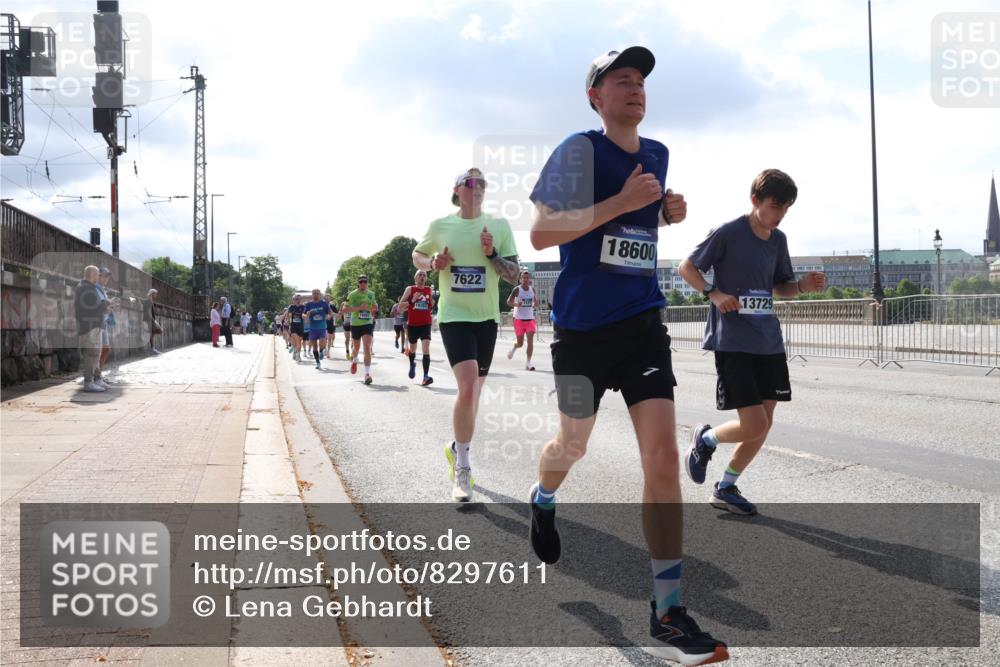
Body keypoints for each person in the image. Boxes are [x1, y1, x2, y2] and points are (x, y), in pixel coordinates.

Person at [526, 47, 728, 665]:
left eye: (641, 81)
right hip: (584, 331)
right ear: (596, 95)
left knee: (663, 458)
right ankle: (543, 497)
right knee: (573, 445)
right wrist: (618, 203)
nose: (635, 88)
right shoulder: (578, 150)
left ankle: (667, 612)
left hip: (642, 324)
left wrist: (668, 212)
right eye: (622, 80)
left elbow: (636, 236)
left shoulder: (657, 154)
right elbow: (540, 233)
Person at [678, 169, 824, 517]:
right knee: (754, 424)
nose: (780, 215)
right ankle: (706, 440)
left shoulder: (778, 240)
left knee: (764, 424)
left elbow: (781, 286)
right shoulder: (729, 232)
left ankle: (725, 488)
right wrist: (714, 293)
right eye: (775, 206)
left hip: (768, 341)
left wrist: (802, 286)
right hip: (733, 340)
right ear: (755, 200)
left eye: (786, 209)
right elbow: (687, 267)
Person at [412, 167, 520, 502]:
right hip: (454, 316)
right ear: (457, 189)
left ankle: (456, 445)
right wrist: (432, 264)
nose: (479, 188)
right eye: (472, 182)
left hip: (486, 318)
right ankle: (463, 468)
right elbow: (417, 253)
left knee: (473, 396)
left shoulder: (498, 226)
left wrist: (491, 255)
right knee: (469, 386)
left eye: (484, 183)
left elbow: (514, 275)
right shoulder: (441, 225)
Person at [74, 265, 111, 392]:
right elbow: (93, 307)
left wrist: (105, 307)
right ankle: (89, 382)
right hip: (90, 327)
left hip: (93, 326)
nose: (98, 276)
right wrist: (105, 303)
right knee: (91, 354)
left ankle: (97, 379)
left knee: (95, 354)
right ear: (92, 275)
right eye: (97, 274)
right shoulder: (86, 288)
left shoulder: (86, 287)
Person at [398, 269, 435, 386]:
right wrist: (412, 300)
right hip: (413, 325)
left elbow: (431, 305)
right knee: (412, 349)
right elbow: (400, 306)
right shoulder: (410, 289)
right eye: (420, 275)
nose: (422, 277)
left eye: (424, 275)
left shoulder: (429, 290)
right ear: (415, 278)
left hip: (426, 324)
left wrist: (432, 299)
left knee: (426, 348)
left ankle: (425, 376)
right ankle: (412, 364)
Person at [344, 276, 377, 385]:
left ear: (367, 283)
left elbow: (374, 305)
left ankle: (367, 374)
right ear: (358, 283)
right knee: (356, 348)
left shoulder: (371, 294)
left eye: (365, 282)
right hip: (356, 324)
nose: (363, 283)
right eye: (361, 282)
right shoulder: (352, 294)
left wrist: (374, 307)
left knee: (367, 347)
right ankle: (354, 360)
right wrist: (359, 308)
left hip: (367, 323)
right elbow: (345, 309)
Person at [506, 269, 540, 370]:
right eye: (523, 278)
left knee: (530, 341)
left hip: (530, 319)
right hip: (519, 319)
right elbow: (508, 302)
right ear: (520, 279)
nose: (525, 279)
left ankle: (528, 363)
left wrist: (536, 305)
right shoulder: (517, 289)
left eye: (527, 278)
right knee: (520, 343)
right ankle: (514, 348)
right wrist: (517, 304)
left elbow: (534, 304)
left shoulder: (532, 290)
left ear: (529, 279)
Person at [303, 288, 333, 369]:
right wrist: (307, 315)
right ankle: (317, 362)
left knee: (322, 343)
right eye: (314, 293)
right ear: (312, 295)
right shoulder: (308, 304)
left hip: (322, 327)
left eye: (317, 293)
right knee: (314, 346)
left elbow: (329, 312)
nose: (316, 295)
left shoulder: (324, 304)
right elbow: (304, 315)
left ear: (320, 295)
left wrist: (329, 316)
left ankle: (321, 351)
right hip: (312, 328)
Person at [96, 267, 117, 379]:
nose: (107, 278)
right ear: (98, 276)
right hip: (98, 322)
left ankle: (98, 375)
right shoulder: (95, 288)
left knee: (104, 349)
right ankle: (96, 376)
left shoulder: (101, 289)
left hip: (103, 321)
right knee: (100, 350)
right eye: (105, 276)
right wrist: (108, 307)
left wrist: (110, 305)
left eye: (108, 276)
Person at [288, 295, 306, 361]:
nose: (297, 300)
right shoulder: (291, 307)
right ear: (293, 300)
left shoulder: (303, 307)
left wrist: (305, 316)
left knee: (299, 341)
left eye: (298, 299)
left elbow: (305, 314)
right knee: (297, 340)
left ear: (300, 300)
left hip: (301, 326)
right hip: (293, 326)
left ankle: (295, 351)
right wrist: (289, 322)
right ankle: (298, 355)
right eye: (295, 299)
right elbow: (289, 315)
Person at [145, 288, 161, 355]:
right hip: (150, 320)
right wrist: (153, 320)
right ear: (152, 294)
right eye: (155, 294)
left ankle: (152, 348)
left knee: (155, 332)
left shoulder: (150, 300)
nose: (156, 295)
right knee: (158, 331)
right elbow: (148, 312)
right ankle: (152, 349)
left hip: (151, 319)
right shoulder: (149, 300)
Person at [323, 295, 339, 359]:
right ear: (324, 299)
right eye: (326, 298)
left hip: (331, 324)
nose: (327, 299)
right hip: (323, 324)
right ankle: (324, 348)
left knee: (329, 339)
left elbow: (337, 315)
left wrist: (332, 314)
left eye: (328, 298)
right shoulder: (322, 306)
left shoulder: (332, 306)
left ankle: (328, 351)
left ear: (330, 299)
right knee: (324, 338)